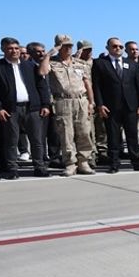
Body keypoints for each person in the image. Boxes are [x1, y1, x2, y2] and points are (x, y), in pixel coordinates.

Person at [0, 37, 52, 178]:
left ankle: (39, 167)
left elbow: (41, 86)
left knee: (37, 140)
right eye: (10, 48)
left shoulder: (29, 66)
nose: (14, 51)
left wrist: (45, 104)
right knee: (11, 140)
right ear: (3, 50)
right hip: (10, 109)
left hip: (33, 108)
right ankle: (12, 169)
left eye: (16, 48)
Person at [90, 37, 139, 173]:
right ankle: (114, 163)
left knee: (132, 135)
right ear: (107, 48)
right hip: (111, 106)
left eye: (120, 47)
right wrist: (100, 105)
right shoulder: (100, 63)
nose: (118, 49)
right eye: (115, 46)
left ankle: (137, 162)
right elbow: (97, 86)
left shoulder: (131, 63)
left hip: (130, 106)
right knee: (113, 136)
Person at [45, 35, 97, 176]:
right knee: (67, 134)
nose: (68, 48)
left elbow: (87, 83)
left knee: (84, 132)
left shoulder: (80, 63)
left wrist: (91, 102)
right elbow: (42, 71)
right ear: (58, 47)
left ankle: (83, 162)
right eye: (64, 46)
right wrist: (50, 54)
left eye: (70, 46)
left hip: (81, 100)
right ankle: (70, 163)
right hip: (63, 101)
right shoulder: (52, 63)